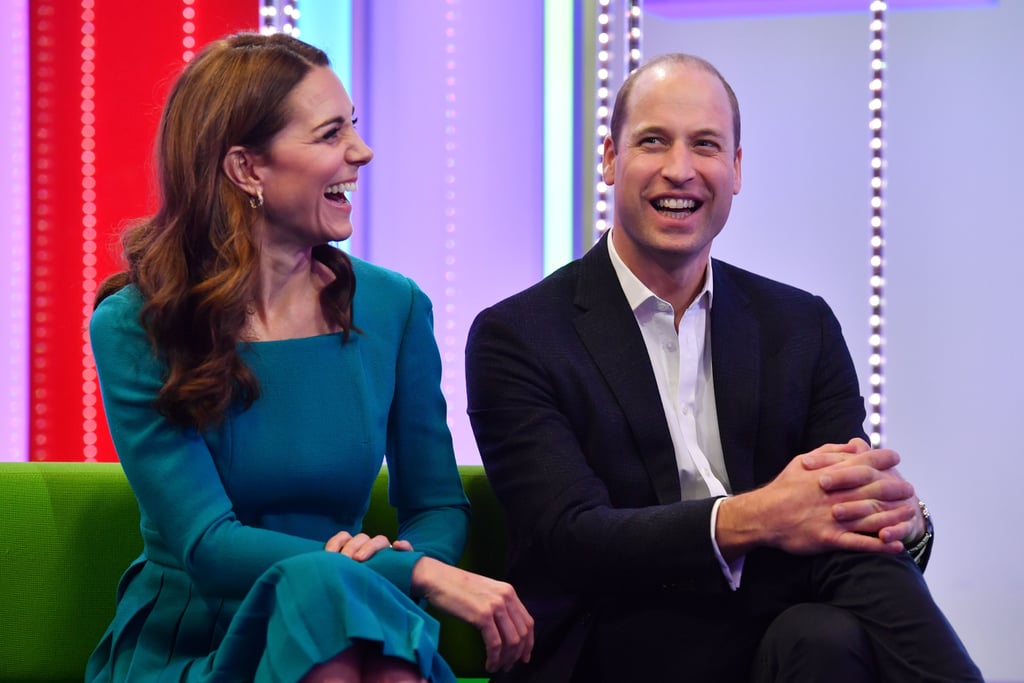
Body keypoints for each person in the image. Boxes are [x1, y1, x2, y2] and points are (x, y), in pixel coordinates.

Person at [465, 53, 981, 682]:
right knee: (819, 629)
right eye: (653, 141)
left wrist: (904, 524)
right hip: (616, 633)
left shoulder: (801, 326)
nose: (680, 170)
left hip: (770, 619)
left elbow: (838, 527)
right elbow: (572, 542)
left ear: (735, 170)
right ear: (609, 159)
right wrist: (760, 516)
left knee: (824, 625)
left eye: (705, 146)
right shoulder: (518, 335)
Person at [86, 32, 533, 683]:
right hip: (201, 640)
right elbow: (210, 547)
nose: (362, 151)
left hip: (356, 622)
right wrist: (413, 571)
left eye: (353, 126)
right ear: (247, 169)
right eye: (330, 135)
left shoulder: (394, 306)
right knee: (333, 614)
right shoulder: (136, 325)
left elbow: (436, 505)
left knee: (355, 633)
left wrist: (396, 567)